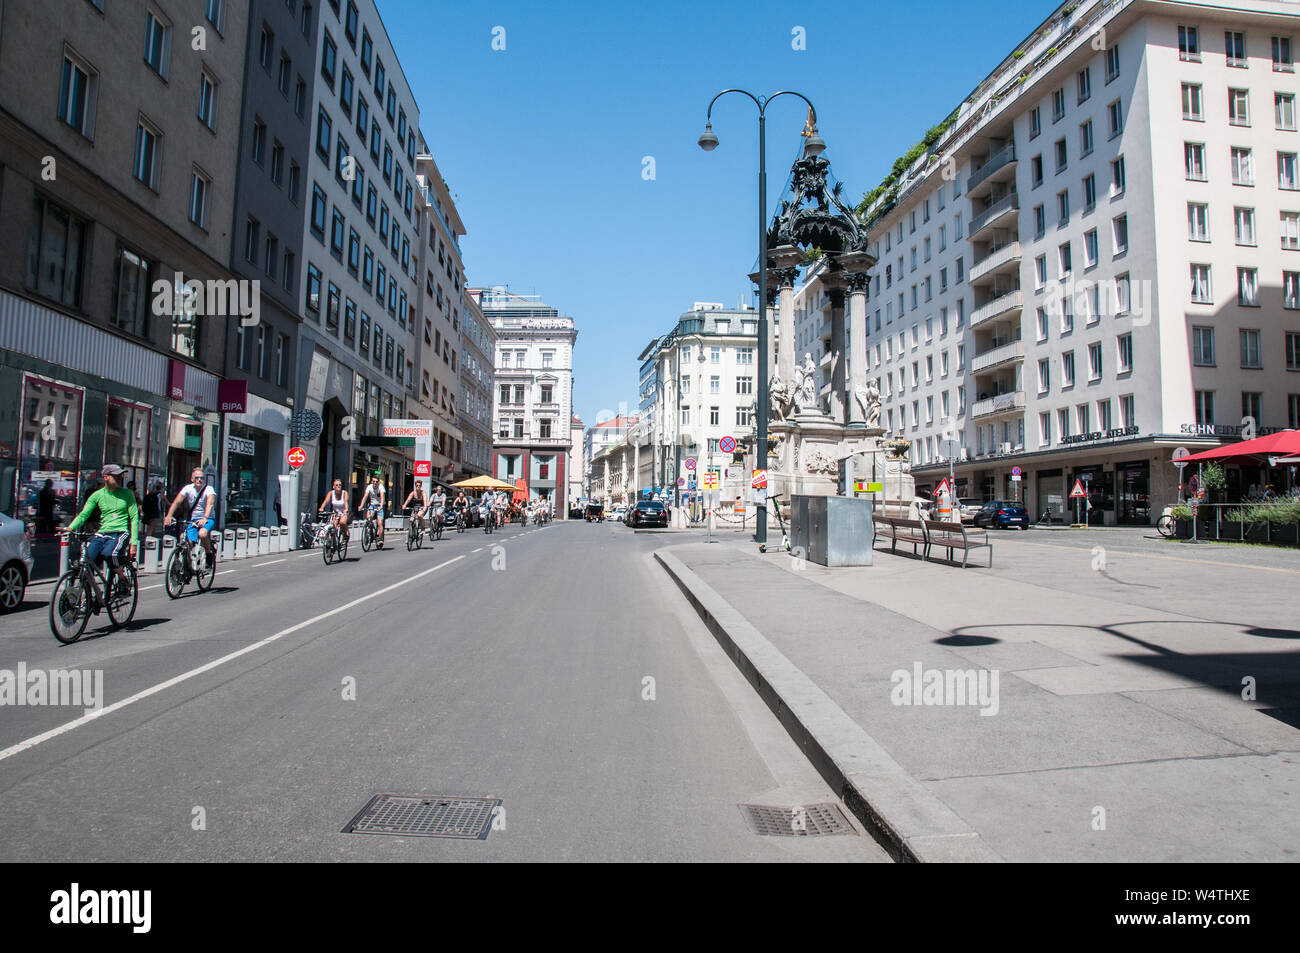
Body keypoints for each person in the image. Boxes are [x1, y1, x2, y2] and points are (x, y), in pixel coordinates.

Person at [66, 463, 138, 595]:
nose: (120, 478)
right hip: (103, 532)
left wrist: (134, 543)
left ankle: (122, 580)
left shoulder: (127, 494)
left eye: (121, 475)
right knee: (87, 561)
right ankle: (88, 596)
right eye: (116, 476)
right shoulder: (97, 495)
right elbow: (83, 514)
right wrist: (70, 528)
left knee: (109, 554)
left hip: (120, 532)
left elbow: (134, 518)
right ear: (106, 477)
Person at [164, 467, 218, 562]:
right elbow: (176, 502)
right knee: (189, 542)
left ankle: (209, 553)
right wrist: (169, 516)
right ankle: (189, 567)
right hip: (193, 519)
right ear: (192, 479)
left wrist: (205, 518)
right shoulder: (188, 488)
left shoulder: (209, 489)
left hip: (207, 518)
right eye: (197, 478)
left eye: (201, 478)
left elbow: (210, 504)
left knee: (202, 534)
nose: (199, 480)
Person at [360, 473, 386, 548]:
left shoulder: (381, 487)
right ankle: (369, 531)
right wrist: (361, 505)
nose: (375, 483)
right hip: (372, 505)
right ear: (371, 481)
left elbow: (382, 497)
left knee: (380, 522)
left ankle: (380, 539)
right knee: (368, 518)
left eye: (376, 481)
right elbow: (365, 496)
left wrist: (381, 505)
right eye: (373, 481)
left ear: (378, 482)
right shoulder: (369, 487)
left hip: (380, 506)